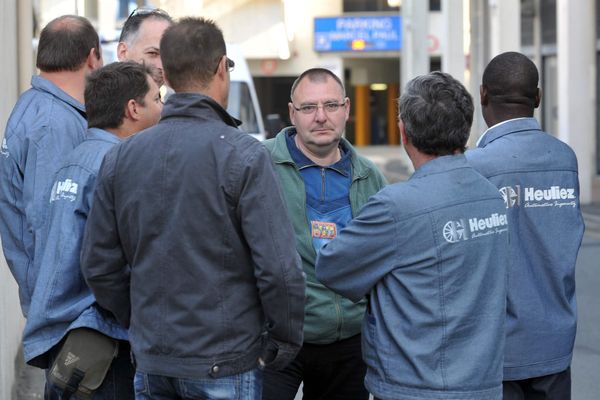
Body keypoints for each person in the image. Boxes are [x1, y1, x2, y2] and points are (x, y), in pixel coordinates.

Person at [80, 17, 305, 400]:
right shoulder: (245, 155)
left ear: (165, 74)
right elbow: (280, 271)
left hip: (153, 358)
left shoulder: (122, 158)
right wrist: (284, 339)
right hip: (226, 359)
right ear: (221, 68)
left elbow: (99, 264)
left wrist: (140, 319)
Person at [316, 71, 509, 400]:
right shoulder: (492, 196)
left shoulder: (396, 206)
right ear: (466, 127)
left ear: (403, 132)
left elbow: (332, 266)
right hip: (482, 383)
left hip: (415, 386)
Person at [21, 61, 162, 399]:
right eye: (157, 98)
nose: (163, 107)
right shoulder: (119, 166)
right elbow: (112, 264)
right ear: (133, 109)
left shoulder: (73, 160)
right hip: (102, 342)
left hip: (69, 340)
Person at [262, 68, 387, 400]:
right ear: (292, 113)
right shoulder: (259, 166)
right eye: (308, 108)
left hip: (350, 344)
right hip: (279, 340)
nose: (321, 117)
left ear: (346, 108)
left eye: (331, 106)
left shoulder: (369, 176)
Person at [465, 52, 585, 400]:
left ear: (483, 94)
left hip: (495, 351)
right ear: (538, 97)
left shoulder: (475, 165)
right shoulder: (565, 158)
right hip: (555, 344)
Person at [0, 15, 102, 318]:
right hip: (68, 312)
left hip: (56, 303)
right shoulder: (54, 124)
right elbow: (52, 226)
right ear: (92, 58)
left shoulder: (38, 106)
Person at [117, 7, 172, 86]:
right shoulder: (101, 96)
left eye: (167, 56)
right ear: (123, 52)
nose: (161, 66)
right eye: (152, 53)